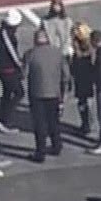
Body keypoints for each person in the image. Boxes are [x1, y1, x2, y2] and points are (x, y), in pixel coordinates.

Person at [23, 27, 69, 163]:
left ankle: (40, 153)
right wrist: (63, 91)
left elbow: (23, 74)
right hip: (54, 93)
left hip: (37, 94)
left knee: (39, 124)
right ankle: (56, 145)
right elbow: (66, 75)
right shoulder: (57, 53)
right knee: (53, 121)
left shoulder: (30, 54)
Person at [0, 8, 25, 133]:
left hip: (4, 68)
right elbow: (12, 53)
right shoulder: (6, 34)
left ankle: (1, 117)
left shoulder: (4, 31)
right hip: (7, 69)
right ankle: (4, 119)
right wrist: (20, 64)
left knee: (8, 92)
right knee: (18, 92)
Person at [69, 24, 101, 151]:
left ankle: (87, 124)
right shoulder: (87, 50)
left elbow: (77, 60)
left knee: (84, 103)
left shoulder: (84, 51)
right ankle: (87, 123)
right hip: (83, 79)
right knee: (83, 103)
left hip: (83, 80)